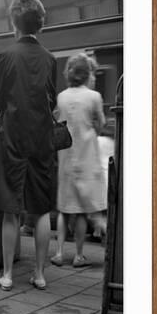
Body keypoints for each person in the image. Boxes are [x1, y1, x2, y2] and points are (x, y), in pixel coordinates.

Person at [0, 0, 57, 292]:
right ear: (40, 24)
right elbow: (51, 102)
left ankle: (8, 275)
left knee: (11, 207)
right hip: (41, 139)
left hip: (12, 137)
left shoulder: (5, 56)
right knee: (40, 209)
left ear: (14, 22)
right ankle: (39, 274)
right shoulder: (51, 59)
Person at [51, 53, 106, 268]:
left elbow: (57, 122)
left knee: (65, 208)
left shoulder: (61, 97)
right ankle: (79, 255)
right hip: (86, 156)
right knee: (82, 210)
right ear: (87, 74)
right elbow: (100, 124)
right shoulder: (94, 97)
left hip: (65, 156)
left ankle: (58, 252)